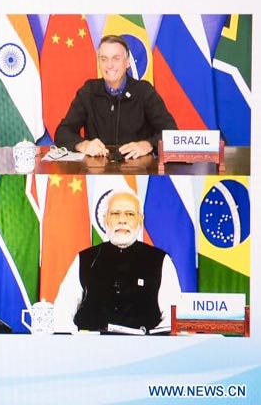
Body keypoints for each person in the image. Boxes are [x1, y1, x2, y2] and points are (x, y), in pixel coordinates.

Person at [53, 190, 182, 334]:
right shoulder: (85, 259)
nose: (122, 220)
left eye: (130, 214)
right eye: (115, 213)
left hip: (144, 345)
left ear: (140, 220)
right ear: (105, 219)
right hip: (92, 345)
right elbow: (62, 310)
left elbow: (174, 317)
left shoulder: (160, 260)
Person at [54, 35, 177, 159]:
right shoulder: (89, 91)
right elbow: (62, 133)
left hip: (138, 166)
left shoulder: (144, 91)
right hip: (97, 167)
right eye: (104, 59)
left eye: (116, 59)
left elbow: (171, 132)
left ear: (127, 62)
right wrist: (82, 145)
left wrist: (148, 144)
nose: (109, 65)